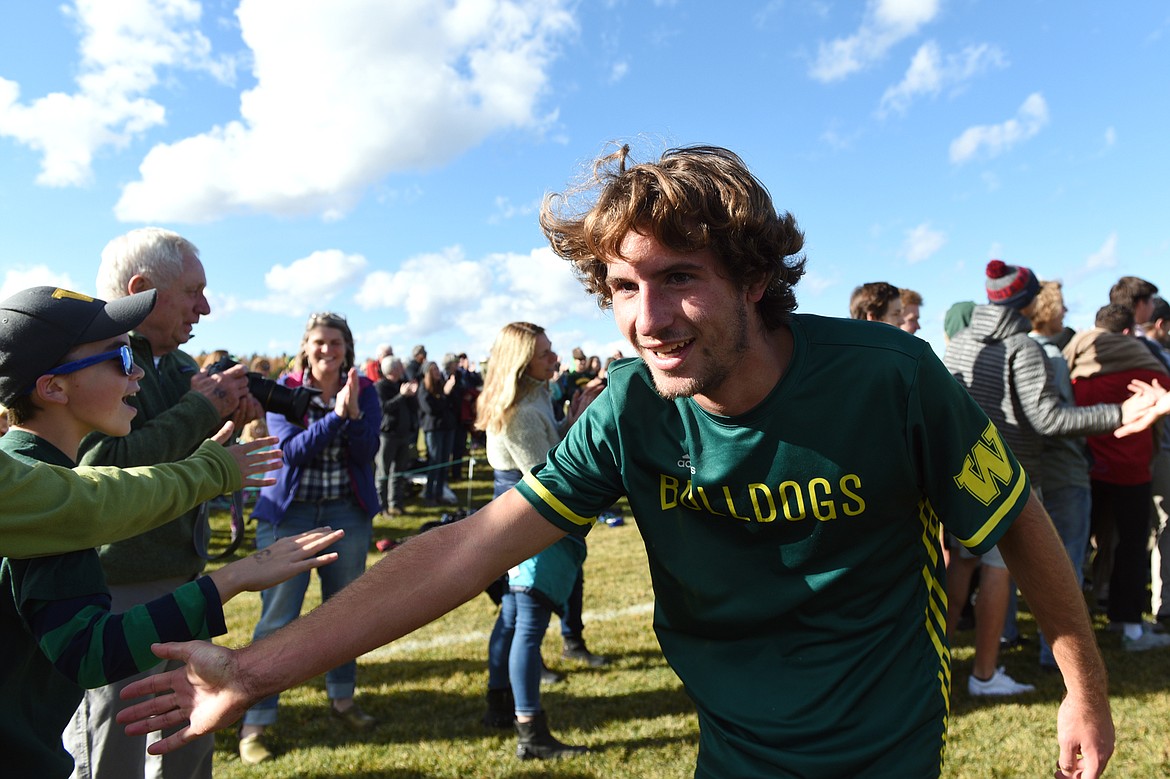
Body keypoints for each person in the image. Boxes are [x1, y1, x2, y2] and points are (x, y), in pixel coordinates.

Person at [118, 145, 1145, 779]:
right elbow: (464, 550)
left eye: (679, 278)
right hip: (735, 751)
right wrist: (252, 667)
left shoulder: (891, 377)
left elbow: (1015, 522)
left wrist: (1083, 688)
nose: (647, 320)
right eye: (620, 285)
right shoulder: (627, 411)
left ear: (753, 276)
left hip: (885, 748)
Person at [0, 285, 343, 778]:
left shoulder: (29, 471)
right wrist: (236, 577)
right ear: (53, 388)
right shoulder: (45, 507)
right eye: (119, 357)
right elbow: (93, 653)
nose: (135, 371)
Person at [66, 228, 264, 779]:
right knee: (117, 743)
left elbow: (174, 451)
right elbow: (104, 466)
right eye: (193, 291)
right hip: (118, 586)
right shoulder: (92, 359)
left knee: (188, 735)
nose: (206, 306)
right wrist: (202, 411)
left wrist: (224, 416)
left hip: (181, 577)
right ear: (141, 289)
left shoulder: (174, 365)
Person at [943, 261, 1166, 698]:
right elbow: (1047, 418)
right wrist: (1122, 414)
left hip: (964, 471)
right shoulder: (1021, 347)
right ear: (1026, 301)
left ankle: (936, 658)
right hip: (1007, 474)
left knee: (962, 565)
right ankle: (984, 675)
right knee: (995, 571)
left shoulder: (960, 343)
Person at [238, 311, 381, 764]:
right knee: (278, 618)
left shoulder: (365, 389)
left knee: (345, 613)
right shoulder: (286, 390)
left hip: (347, 514)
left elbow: (366, 451)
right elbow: (291, 454)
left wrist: (353, 416)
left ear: (347, 348)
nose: (327, 350)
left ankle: (343, 699)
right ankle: (255, 722)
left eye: (335, 343)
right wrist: (339, 416)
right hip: (291, 517)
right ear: (306, 346)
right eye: (319, 342)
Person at [476, 322, 599, 759]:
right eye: (546, 353)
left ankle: (499, 703)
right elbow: (547, 478)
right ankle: (529, 731)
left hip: (520, 518)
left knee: (512, 618)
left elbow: (550, 448)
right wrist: (582, 430)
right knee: (526, 625)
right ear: (523, 361)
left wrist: (570, 420)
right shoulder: (520, 412)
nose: (555, 358)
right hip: (524, 525)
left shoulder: (536, 396)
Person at [1064, 303, 1170, 650]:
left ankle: (1068, 629)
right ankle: (1128, 625)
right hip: (1131, 466)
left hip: (1087, 465)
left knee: (1075, 545)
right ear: (1128, 332)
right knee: (1131, 546)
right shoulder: (1145, 366)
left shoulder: (1074, 365)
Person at [1027, 281, 1095, 669]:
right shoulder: (1049, 355)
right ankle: (1055, 653)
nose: (1066, 312)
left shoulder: (1019, 349)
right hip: (1063, 468)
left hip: (1036, 466)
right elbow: (1055, 418)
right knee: (1064, 559)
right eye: (1062, 305)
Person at [375, 356, 419, 516]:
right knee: (383, 472)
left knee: (399, 472)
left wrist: (411, 395)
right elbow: (385, 408)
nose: (403, 370)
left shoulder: (402, 384)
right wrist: (401, 395)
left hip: (403, 434)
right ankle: (382, 507)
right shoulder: (380, 386)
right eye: (400, 367)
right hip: (388, 435)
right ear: (393, 369)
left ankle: (396, 504)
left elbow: (414, 408)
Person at [417, 359, 458, 505]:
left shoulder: (441, 385)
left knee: (444, 463)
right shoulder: (423, 389)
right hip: (434, 430)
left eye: (437, 369)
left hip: (447, 428)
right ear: (427, 373)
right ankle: (429, 495)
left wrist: (449, 391)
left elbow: (452, 404)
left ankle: (440, 492)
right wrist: (445, 394)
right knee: (435, 462)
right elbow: (430, 409)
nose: (437, 372)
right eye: (433, 370)